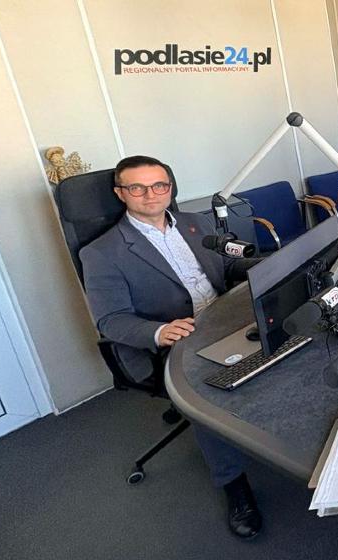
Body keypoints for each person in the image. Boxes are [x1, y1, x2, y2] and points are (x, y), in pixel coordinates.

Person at [80, 155, 265, 540]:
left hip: (224, 318)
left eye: (159, 185)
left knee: (290, 331)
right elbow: (111, 319)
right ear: (120, 193)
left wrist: (267, 266)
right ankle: (234, 484)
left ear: (170, 188)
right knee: (206, 395)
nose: (151, 194)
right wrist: (159, 331)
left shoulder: (197, 224)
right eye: (137, 187)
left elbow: (226, 270)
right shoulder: (101, 253)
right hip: (174, 340)